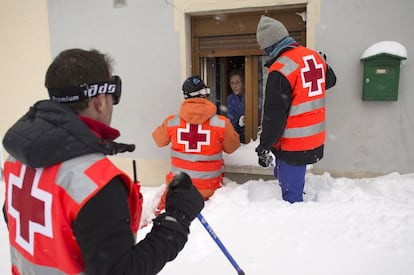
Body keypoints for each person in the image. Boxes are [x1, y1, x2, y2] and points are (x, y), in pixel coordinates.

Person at [2, 48, 204, 275]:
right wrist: (177, 218)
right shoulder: (94, 183)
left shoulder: (15, 160)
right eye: (113, 96)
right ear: (99, 101)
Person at [255, 16, 337, 203]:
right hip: (314, 137)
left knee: (291, 201)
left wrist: (264, 146)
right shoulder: (313, 57)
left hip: (293, 143)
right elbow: (330, 80)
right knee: (289, 182)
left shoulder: (281, 69)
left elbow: (273, 117)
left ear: (269, 46)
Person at [152, 75, 240, 211]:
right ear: (205, 95)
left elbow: (158, 140)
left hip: (178, 188)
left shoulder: (172, 122)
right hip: (209, 189)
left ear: (186, 96)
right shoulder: (221, 123)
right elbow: (232, 147)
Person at [226, 69, 246, 143]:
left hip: (252, 138)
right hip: (237, 138)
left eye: (237, 82)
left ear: (243, 83)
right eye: (232, 83)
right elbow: (231, 121)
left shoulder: (250, 96)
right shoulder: (230, 99)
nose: (234, 86)